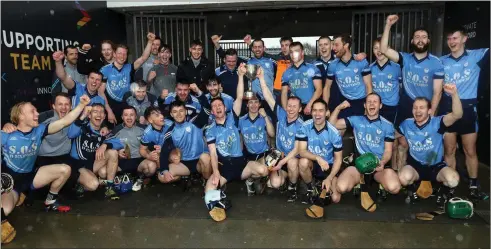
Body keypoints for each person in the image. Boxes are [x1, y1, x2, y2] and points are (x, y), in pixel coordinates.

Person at [1, 95, 90, 217]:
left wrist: (81, 105)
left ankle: (50, 202)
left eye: (36, 110)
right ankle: (17, 196)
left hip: (31, 177)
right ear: (21, 115)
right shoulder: (6, 135)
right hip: (10, 183)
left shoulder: (39, 130)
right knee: (4, 211)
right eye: (32, 111)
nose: (37, 114)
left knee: (65, 169)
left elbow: (64, 122)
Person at [202, 64, 269, 221]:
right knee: (209, 190)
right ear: (212, 111)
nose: (218, 108)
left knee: (263, 170)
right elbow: (212, 152)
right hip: (224, 167)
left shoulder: (233, 117)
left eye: (220, 105)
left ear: (225, 108)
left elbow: (239, 97)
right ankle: (220, 194)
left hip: (241, 164)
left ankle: (249, 180)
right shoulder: (210, 130)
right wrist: (216, 173)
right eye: (214, 107)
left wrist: (240, 76)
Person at [380, 15, 444, 170]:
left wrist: (432, 114)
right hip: (406, 105)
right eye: (417, 37)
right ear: (412, 41)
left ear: (428, 41)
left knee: (427, 142)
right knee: (400, 142)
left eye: (424, 37)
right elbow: (384, 49)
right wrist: (388, 26)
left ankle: (427, 173)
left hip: (425, 108)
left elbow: (437, 92)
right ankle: (399, 174)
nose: (420, 40)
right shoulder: (405, 58)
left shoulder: (436, 62)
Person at [439, 28, 490, 201]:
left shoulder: (476, 56)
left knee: (469, 150)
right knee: (450, 150)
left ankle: (473, 185)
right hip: (448, 109)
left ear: (464, 39)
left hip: (468, 109)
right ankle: (450, 185)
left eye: (455, 38)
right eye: (449, 38)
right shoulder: (441, 61)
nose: (452, 41)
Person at [329, 94, 400, 210]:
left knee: (395, 188)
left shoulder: (388, 126)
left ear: (380, 105)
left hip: (377, 167)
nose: (372, 104)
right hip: (358, 167)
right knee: (341, 188)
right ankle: (339, 178)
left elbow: (388, 150)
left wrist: (382, 162)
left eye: (375, 102)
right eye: (369, 102)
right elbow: (331, 125)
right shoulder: (356, 120)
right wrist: (338, 108)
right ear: (365, 105)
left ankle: (381, 185)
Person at [397, 84, 462, 208]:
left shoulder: (437, 122)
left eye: (422, 107)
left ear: (429, 111)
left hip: (435, 165)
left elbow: (457, 115)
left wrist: (454, 94)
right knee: (403, 178)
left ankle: (442, 192)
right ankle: (412, 191)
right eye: (415, 108)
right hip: (415, 165)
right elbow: (391, 135)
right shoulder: (406, 124)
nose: (418, 111)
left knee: (453, 180)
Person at [257, 66, 305, 202]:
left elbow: (296, 150)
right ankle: (287, 178)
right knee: (275, 184)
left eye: (294, 107)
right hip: (279, 155)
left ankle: (293, 188)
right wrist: (261, 78)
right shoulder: (281, 114)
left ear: (300, 109)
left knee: (292, 163)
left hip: (292, 157)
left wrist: (282, 161)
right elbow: (267, 95)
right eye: (289, 105)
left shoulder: (302, 126)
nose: (290, 109)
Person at [67, 103, 124, 200]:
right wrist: (83, 116)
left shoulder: (103, 131)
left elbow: (119, 143)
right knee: (93, 185)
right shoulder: (82, 126)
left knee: (112, 152)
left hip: (93, 164)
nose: (99, 115)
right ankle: (80, 183)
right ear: (89, 115)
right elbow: (71, 134)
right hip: (79, 165)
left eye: (101, 112)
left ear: (105, 116)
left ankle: (109, 187)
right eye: (95, 112)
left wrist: (105, 145)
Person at [99, 32, 156, 124]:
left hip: (129, 108)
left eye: (124, 54)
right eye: (120, 53)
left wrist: (150, 42)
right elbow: (100, 92)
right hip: (112, 109)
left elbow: (143, 58)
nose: (122, 56)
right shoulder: (105, 70)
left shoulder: (130, 67)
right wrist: (109, 111)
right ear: (114, 54)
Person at [295, 99, 343, 204]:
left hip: (328, 166)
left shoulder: (334, 133)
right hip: (313, 163)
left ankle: (324, 182)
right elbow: (302, 152)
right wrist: (318, 158)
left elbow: (338, 160)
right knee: (303, 162)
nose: (317, 114)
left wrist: (329, 178)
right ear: (311, 112)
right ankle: (311, 189)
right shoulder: (304, 126)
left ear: (327, 113)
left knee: (335, 199)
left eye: (321, 110)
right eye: (315, 110)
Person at [158, 99, 212, 187]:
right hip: (185, 164)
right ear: (171, 114)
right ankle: (184, 176)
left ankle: (207, 180)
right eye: (175, 112)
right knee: (162, 176)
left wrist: (199, 92)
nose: (178, 114)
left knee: (205, 157)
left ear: (186, 111)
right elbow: (164, 153)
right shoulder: (170, 133)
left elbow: (207, 108)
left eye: (181, 111)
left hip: (200, 161)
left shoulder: (195, 123)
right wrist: (165, 170)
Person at [323, 34, 372, 121]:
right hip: (345, 102)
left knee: (361, 130)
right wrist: (325, 108)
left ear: (346, 45)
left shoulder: (360, 61)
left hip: (362, 102)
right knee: (335, 127)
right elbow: (327, 87)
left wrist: (368, 106)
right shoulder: (333, 65)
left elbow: (368, 85)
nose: (333, 48)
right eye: (333, 45)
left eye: (336, 45)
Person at [106, 105, 148, 191]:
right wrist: (117, 152)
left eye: (132, 115)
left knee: (151, 167)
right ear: (122, 117)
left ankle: (139, 177)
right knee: (103, 172)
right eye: (126, 115)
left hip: (139, 162)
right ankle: (123, 178)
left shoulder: (144, 129)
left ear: (136, 116)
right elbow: (107, 145)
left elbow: (150, 145)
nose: (129, 117)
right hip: (123, 162)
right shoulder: (116, 130)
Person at [281, 41, 323, 118]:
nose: (293, 54)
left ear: (302, 52)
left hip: (310, 107)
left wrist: (309, 105)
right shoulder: (286, 72)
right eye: (291, 52)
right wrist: (285, 109)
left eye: (296, 51)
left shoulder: (312, 68)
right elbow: (284, 93)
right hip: (294, 109)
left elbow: (319, 89)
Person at [244, 35, 292, 101]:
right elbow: (260, 52)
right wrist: (250, 44)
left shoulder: (298, 60)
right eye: (282, 45)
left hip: (292, 91)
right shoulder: (277, 59)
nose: (284, 48)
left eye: (287, 45)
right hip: (277, 92)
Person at [139, 106, 174, 186]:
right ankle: (160, 174)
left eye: (161, 114)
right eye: (157, 115)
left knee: (174, 157)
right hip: (158, 154)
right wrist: (149, 156)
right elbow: (142, 150)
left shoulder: (170, 124)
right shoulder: (147, 133)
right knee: (154, 160)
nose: (162, 116)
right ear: (150, 120)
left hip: (170, 150)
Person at [211, 35, 248, 99]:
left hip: (241, 105)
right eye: (229, 61)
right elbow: (212, 89)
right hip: (224, 106)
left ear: (237, 60)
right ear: (224, 60)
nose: (231, 63)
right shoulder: (217, 71)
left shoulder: (243, 71)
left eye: (234, 61)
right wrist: (217, 92)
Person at [312, 36, 340, 112]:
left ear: (331, 46)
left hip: (338, 104)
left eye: (326, 44)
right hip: (319, 107)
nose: (323, 47)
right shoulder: (313, 65)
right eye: (320, 45)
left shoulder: (339, 62)